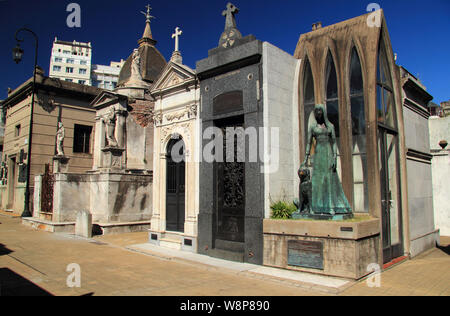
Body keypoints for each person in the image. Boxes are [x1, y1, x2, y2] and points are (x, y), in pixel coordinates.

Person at [301, 104, 351, 215]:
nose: (318, 114)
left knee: (329, 179)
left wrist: (335, 157)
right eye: (316, 112)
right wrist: (306, 157)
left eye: (320, 112)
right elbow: (309, 143)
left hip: (328, 153)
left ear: (323, 113)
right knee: (316, 180)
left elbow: (334, 142)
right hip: (318, 155)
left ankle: (331, 206)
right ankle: (316, 206)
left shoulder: (330, 126)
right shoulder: (313, 127)